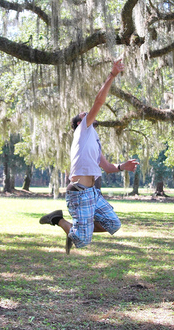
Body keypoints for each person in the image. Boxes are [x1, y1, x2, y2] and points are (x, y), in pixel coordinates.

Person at [39, 58, 139, 254]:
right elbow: (99, 101)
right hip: (79, 192)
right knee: (83, 242)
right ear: (79, 123)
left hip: (93, 193)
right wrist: (111, 76)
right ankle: (58, 219)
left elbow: (107, 166)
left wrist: (122, 166)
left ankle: (78, 229)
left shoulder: (94, 139)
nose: (89, 114)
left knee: (113, 224)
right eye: (84, 115)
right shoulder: (82, 130)